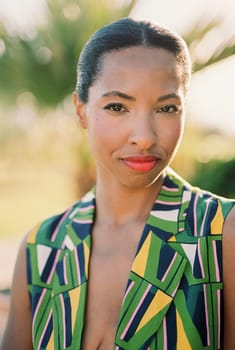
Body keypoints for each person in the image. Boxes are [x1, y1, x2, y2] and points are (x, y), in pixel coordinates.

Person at [1, 17, 235, 350]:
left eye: (166, 107)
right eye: (117, 107)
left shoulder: (221, 235)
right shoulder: (42, 248)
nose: (143, 137)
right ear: (80, 110)